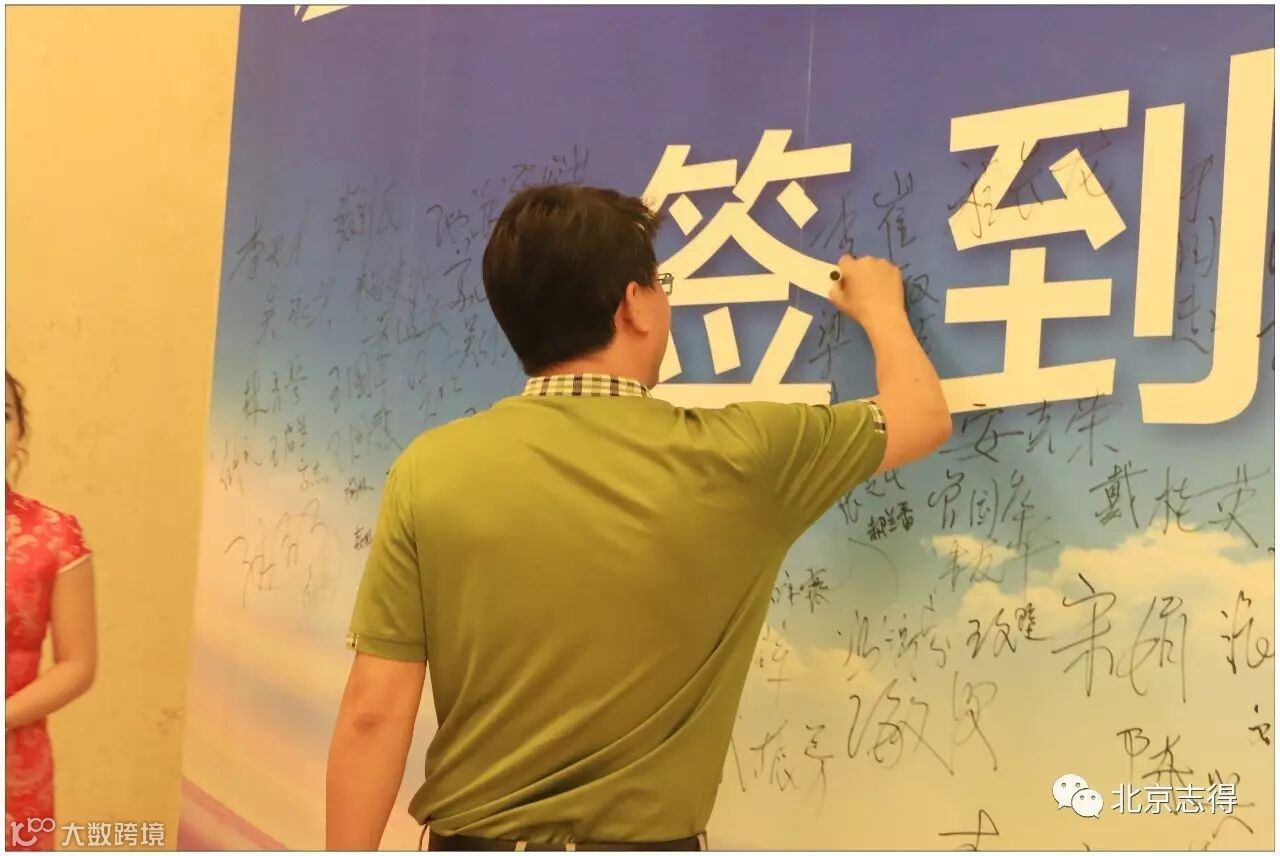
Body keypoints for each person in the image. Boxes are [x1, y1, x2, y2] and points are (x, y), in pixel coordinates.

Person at [326, 185, 951, 851]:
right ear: (633, 306)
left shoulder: (429, 469)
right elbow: (921, 414)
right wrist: (881, 309)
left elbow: (372, 712)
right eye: (660, 284)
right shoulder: (743, 456)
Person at [4, 372, 98, 850]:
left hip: (14, 763)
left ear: (20, 435)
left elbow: (78, 664)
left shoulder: (54, 534)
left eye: (3, 416)